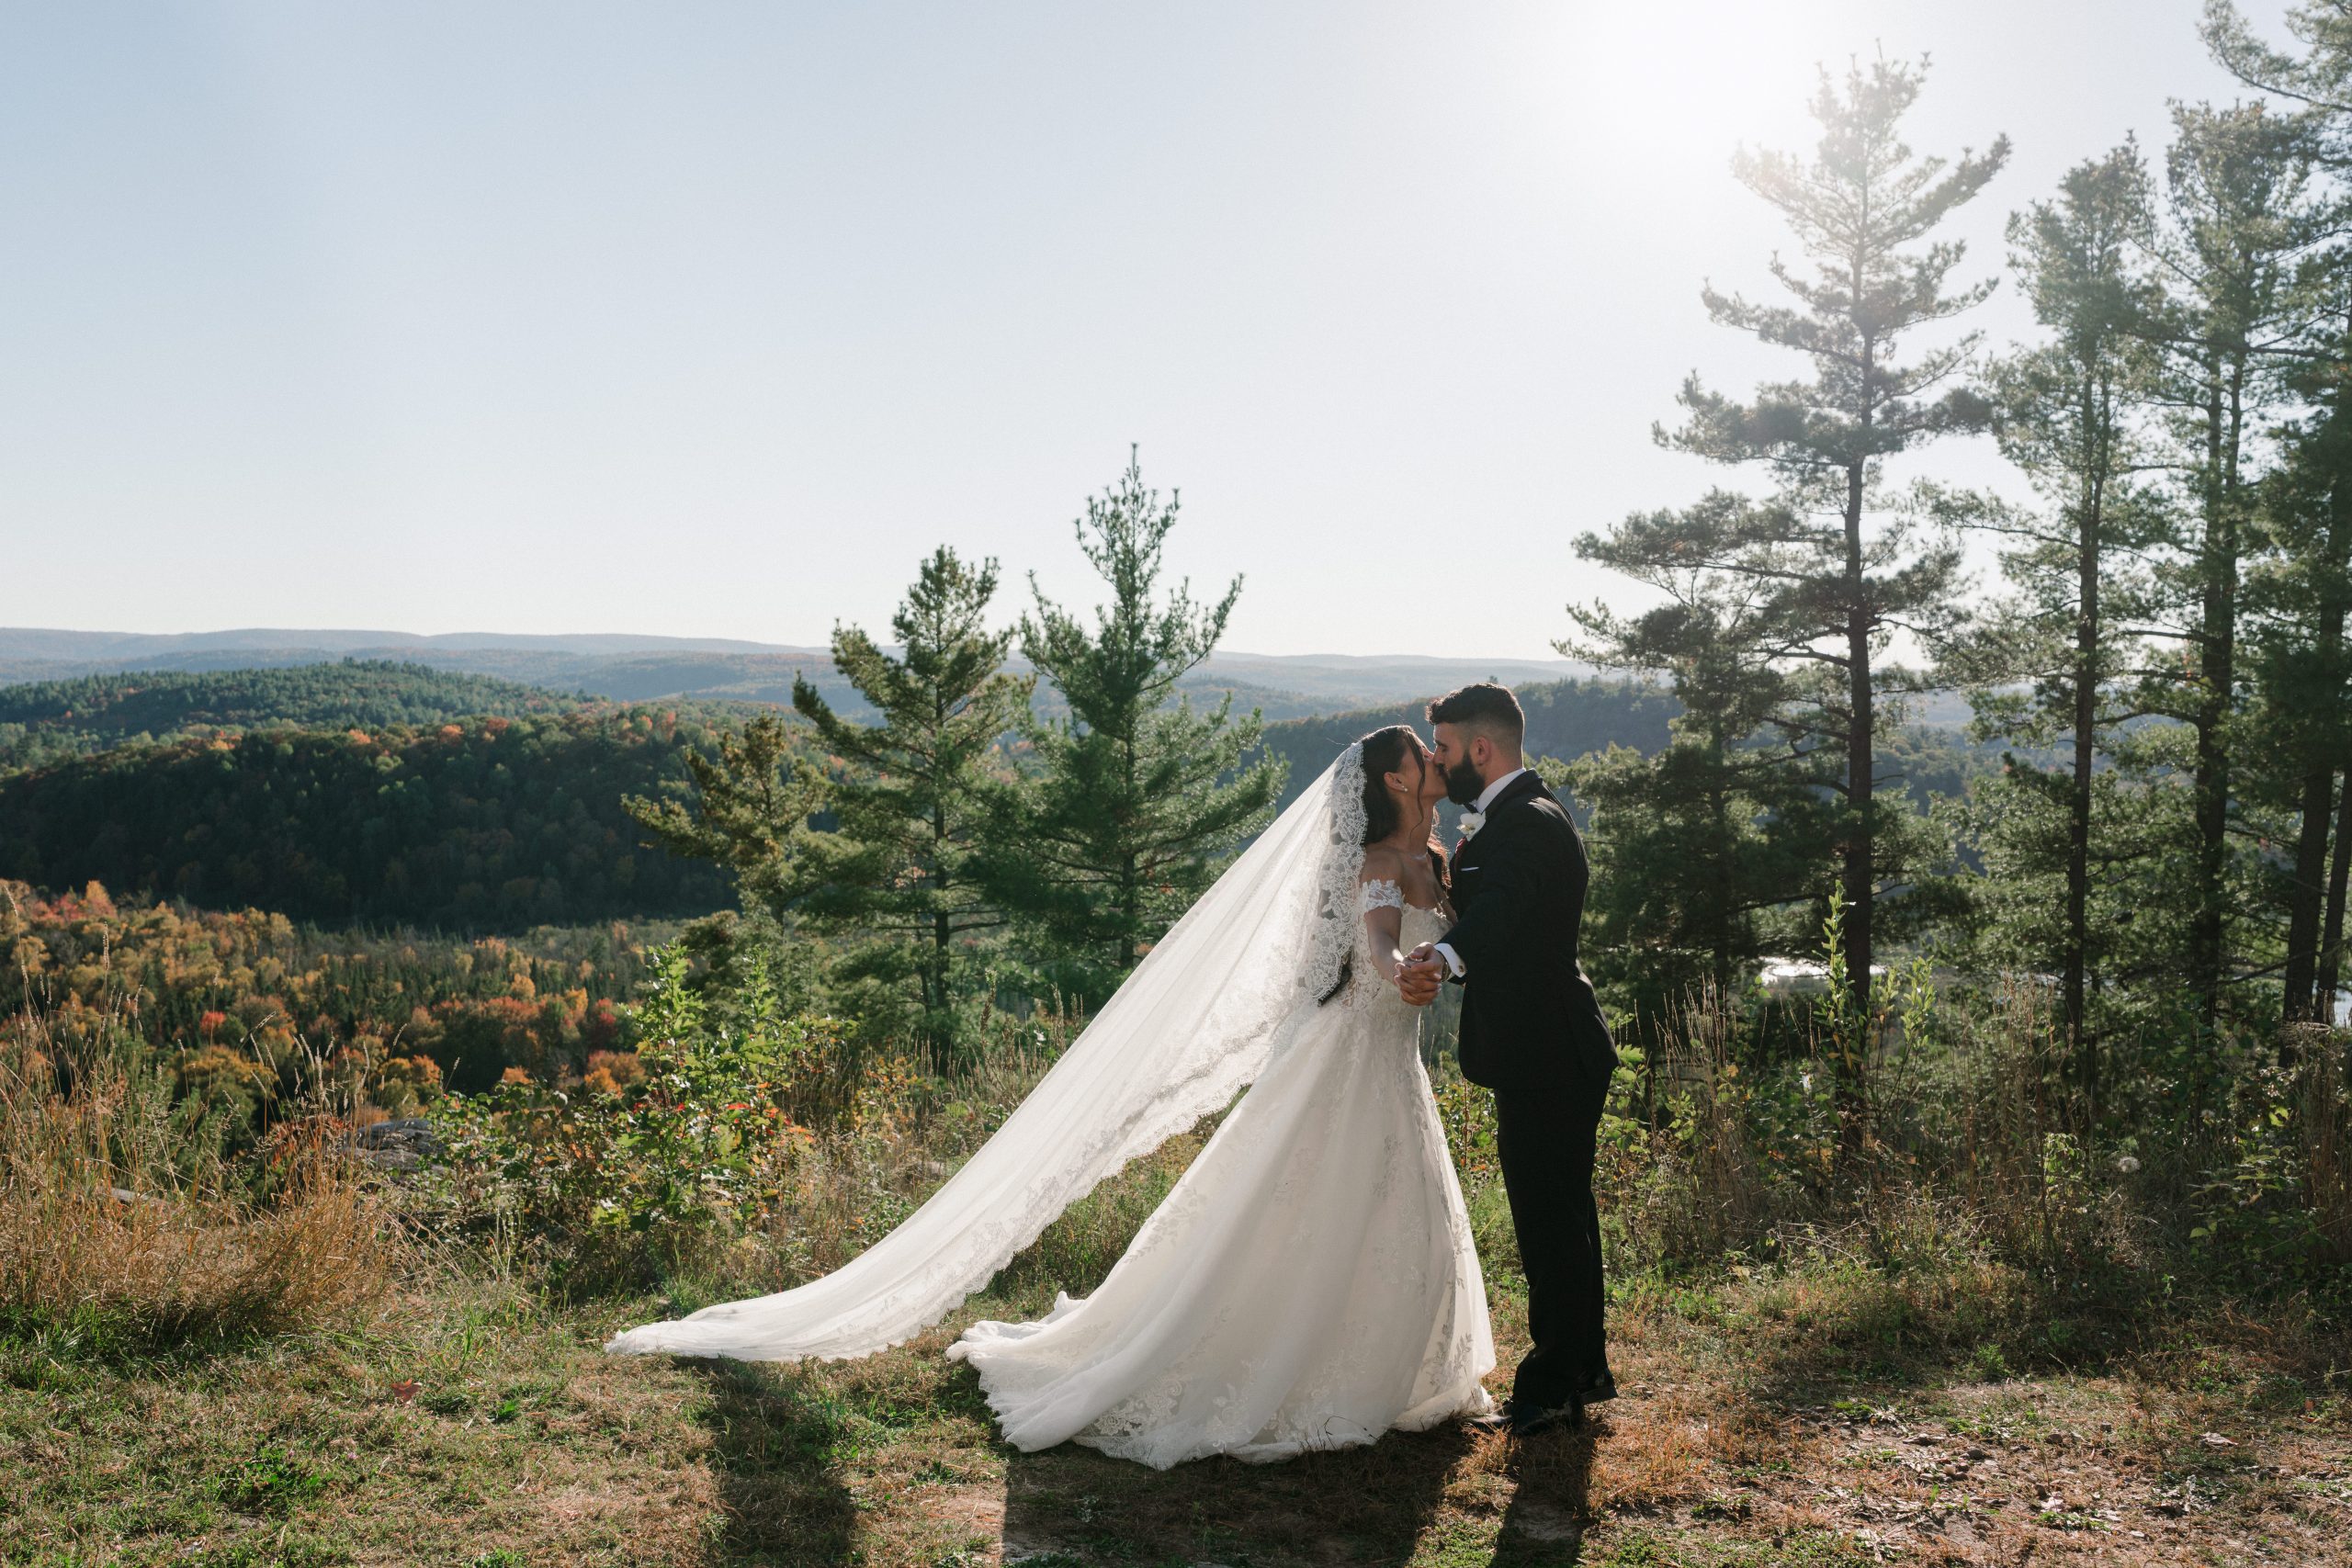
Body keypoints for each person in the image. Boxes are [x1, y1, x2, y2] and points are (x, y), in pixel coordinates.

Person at [608, 728, 1498, 1469]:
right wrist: (1401, 971)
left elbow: (1464, 928)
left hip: (1391, 1069)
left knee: (1385, 1213)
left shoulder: (1434, 855)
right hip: (1344, 1062)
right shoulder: (1380, 862)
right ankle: (1283, 1366)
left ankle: (1385, 1369)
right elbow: (1379, 944)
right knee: (1303, 1216)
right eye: (1425, 754)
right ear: (1394, 778)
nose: (1434, 762)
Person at [1401, 682, 1618, 1436]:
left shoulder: (1529, 823)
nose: (1440, 759)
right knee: (1560, 1217)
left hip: (1552, 1052)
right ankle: (1579, 1372)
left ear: (1481, 750)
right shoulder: (1518, 814)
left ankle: (1552, 1385)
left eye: (1448, 748)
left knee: (1550, 1222)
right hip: (1545, 1049)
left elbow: (1506, 908)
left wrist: (1447, 953)